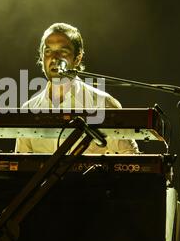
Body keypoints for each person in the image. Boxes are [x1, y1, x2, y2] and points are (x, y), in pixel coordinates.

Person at [15, 22, 139, 154]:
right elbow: (20, 165)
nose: (54, 58)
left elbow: (130, 160)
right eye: (48, 51)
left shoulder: (102, 103)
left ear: (77, 58)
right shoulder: (29, 109)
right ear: (42, 57)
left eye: (63, 51)